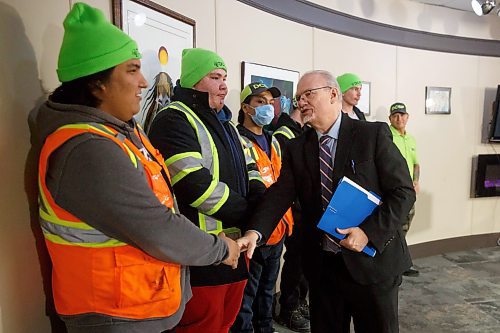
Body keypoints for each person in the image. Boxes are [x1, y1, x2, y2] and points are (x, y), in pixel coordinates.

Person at [31, 3, 241, 333]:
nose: (144, 82)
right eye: (131, 70)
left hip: (142, 302)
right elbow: (155, 225)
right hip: (114, 313)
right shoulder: (88, 149)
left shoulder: (122, 132)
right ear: (96, 84)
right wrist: (220, 248)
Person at [238, 70, 416, 333]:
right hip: (324, 270)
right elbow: (280, 194)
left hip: (372, 264)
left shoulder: (372, 135)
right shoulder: (297, 147)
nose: (301, 102)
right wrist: (256, 231)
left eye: (308, 94)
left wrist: (368, 233)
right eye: (299, 97)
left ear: (333, 94)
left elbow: (403, 192)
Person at [148, 49, 266, 333]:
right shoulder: (173, 118)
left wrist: (259, 208)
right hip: (201, 255)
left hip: (236, 252)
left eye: (224, 77)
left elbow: (252, 171)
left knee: (225, 325)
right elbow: (193, 184)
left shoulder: (227, 124)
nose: (225, 85)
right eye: (215, 77)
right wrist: (252, 213)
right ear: (192, 81)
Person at [231, 83, 294, 333]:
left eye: (269, 102)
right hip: (254, 230)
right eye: (259, 102)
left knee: (268, 291)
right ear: (246, 107)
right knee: (248, 294)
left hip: (278, 228)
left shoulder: (274, 140)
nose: (267, 106)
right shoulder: (237, 140)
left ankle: (265, 328)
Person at [273, 103, 311, 333]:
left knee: (306, 262)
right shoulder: (284, 134)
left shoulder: (303, 130)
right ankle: (288, 309)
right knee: (295, 262)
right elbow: (283, 178)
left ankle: (299, 302)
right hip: (293, 210)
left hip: (307, 209)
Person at [389, 102, 421, 277]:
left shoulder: (411, 139)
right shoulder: (387, 136)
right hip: (394, 190)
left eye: (402, 115)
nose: (399, 118)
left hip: (409, 190)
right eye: (395, 115)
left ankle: (400, 262)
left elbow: (416, 164)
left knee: (406, 223)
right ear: (390, 118)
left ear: (407, 117)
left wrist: (416, 181)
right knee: (394, 226)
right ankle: (395, 264)